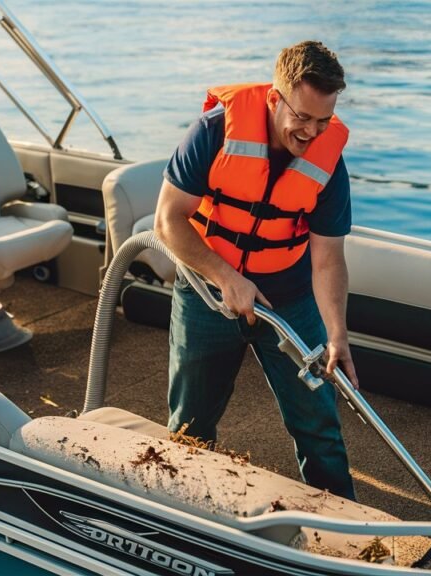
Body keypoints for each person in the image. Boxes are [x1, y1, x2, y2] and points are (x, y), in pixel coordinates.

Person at [154, 41, 357, 499]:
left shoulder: (328, 161)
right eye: (301, 118)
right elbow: (167, 220)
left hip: (290, 298)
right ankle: (184, 512)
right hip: (207, 293)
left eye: (322, 121)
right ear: (273, 98)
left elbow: (327, 258)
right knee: (191, 422)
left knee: (319, 427)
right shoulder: (212, 131)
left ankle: (347, 536)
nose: (310, 133)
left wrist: (337, 332)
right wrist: (226, 277)